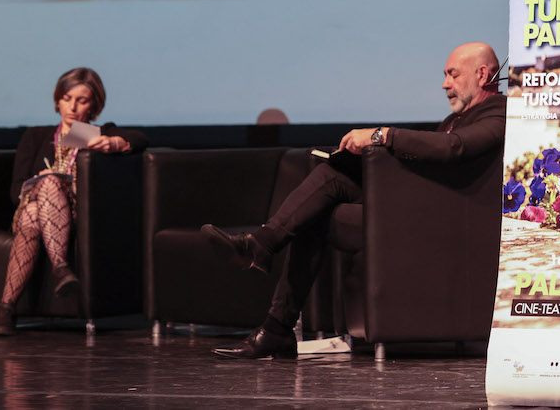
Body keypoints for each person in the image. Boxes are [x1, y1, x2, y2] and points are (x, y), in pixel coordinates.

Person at [202, 42, 506, 359]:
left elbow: (454, 149)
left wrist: (381, 135)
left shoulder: (500, 111)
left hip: (442, 221)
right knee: (330, 180)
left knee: (316, 213)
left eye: (452, 74)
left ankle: (272, 306)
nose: (445, 84)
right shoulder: (459, 117)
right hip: (418, 207)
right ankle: (264, 264)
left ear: (483, 74)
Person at [0, 67, 148, 336]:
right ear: (57, 100)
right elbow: (15, 190)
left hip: (77, 215)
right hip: (32, 206)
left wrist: (114, 143)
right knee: (39, 198)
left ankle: (5, 309)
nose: (72, 106)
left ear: (94, 105)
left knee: (42, 199)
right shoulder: (37, 136)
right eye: (67, 98)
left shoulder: (94, 133)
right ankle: (61, 268)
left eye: (82, 100)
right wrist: (40, 182)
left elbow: (140, 139)